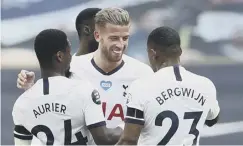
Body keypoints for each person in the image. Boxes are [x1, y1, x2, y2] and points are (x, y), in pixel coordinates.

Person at [16, 8, 154, 129]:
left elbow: (151, 122)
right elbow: (49, 109)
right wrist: (30, 89)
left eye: (125, 38)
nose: (120, 45)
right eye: (114, 38)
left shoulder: (143, 73)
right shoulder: (72, 68)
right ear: (97, 35)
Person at [12, 29, 122, 145]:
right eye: (69, 51)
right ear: (60, 56)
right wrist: (128, 125)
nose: (71, 56)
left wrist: (30, 90)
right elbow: (105, 139)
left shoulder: (21, 104)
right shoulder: (83, 90)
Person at [117, 26, 220, 145]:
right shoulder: (205, 85)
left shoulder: (141, 86)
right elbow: (212, 120)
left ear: (152, 53)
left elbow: (129, 140)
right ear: (180, 51)